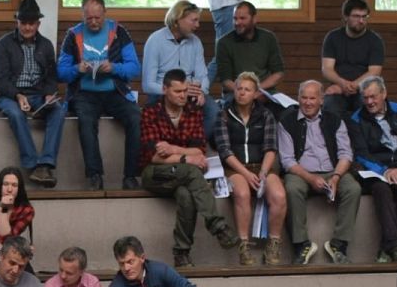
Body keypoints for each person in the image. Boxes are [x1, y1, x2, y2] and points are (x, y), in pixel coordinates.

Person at [139, 68, 237, 270]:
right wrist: (186, 158)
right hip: (154, 173)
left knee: (185, 195)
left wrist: (174, 149)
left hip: (179, 175)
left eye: (185, 90)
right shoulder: (151, 112)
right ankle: (218, 226)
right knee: (192, 171)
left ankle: (181, 253)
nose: (183, 95)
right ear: (165, 89)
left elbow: (199, 150)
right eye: (177, 91)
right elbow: (155, 156)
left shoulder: (193, 111)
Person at [57, 0, 143, 191]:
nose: (94, 22)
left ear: (105, 13)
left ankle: (130, 176)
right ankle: (95, 176)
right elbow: (61, 72)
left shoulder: (119, 32)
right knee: (86, 122)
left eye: (98, 18)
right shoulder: (73, 35)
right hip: (84, 93)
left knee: (136, 118)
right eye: (89, 19)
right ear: (83, 16)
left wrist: (113, 68)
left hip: (115, 92)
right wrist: (77, 69)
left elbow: (134, 68)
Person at [278, 80, 360, 265]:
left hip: (332, 170)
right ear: (298, 98)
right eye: (304, 98)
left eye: (312, 98)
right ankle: (302, 245)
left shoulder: (335, 120)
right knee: (291, 189)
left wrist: (337, 177)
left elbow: (346, 153)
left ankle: (338, 244)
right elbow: (287, 160)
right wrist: (310, 177)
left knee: (353, 189)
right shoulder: (287, 121)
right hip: (301, 172)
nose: (307, 102)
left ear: (322, 100)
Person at [212, 70, 286, 267]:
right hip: (235, 168)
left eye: (247, 89)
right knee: (242, 193)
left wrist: (262, 172)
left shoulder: (266, 114)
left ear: (255, 93)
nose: (242, 93)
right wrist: (245, 173)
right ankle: (244, 246)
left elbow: (271, 148)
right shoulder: (224, 115)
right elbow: (225, 151)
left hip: (262, 166)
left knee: (278, 195)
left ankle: (274, 243)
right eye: (239, 88)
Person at [348, 75, 397, 264]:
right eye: (365, 98)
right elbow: (361, 154)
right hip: (374, 171)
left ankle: (386, 246)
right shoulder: (356, 119)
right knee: (382, 190)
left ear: (384, 94)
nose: (369, 102)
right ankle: (396, 246)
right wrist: (384, 171)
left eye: (373, 97)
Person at [0, 0, 65, 187]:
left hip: (39, 95)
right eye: (23, 23)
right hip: (10, 95)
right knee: (16, 114)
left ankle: (46, 164)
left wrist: (50, 93)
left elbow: (51, 76)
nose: (27, 27)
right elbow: (1, 80)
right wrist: (17, 95)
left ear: (38, 24)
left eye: (31, 23)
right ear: (17, 22)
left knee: (59, 109)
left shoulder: (46, 45)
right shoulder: (4, 43)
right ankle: (32, 164)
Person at [212, 1, 284, 122]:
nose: (237, 22)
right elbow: (225, 80)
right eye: (235, 18)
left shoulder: (268, 38)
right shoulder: (224, 43)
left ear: (254, 19)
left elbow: (278, 73)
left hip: (264, 92)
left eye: (242, 18)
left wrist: (257, 89)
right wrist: (246, 91)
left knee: (284, 113)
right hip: (235, 92)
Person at [320, 0, 383, 115]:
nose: (361, 21)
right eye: (356, 16)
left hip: (364, 89)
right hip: (338, 88)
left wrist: (353, 86)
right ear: (345, 17)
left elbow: (375, 72)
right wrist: (342, 84)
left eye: (364, 17)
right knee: (330, 107)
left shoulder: (375, 40)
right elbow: (327, 69)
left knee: (367, 107)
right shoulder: (333, 37)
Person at [141, 0, 208, 109]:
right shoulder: (155, 40)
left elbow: (202, 76)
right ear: (178, 19)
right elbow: (148, 85)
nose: (197, 25)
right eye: (194, 20)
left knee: (212, 111)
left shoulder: (196, 42)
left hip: (190, 93)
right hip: (162, 93)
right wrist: (173, 91)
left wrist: (201, 92)